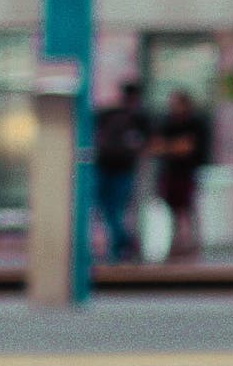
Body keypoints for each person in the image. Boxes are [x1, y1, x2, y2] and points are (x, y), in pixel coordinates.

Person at [148, 90, 216, 260]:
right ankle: (176, 242)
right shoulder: (166, 122)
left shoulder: (195, 122)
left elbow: (188, 148)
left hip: (187, 173)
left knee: (188, 207)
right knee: (172, 209)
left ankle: (191, 242)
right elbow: (157, 146)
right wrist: (174, 147)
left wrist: (170, 147)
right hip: (170, 172)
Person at [89, 82, 150, 264]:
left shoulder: (115, 114)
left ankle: (122, 245)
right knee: (112, 209)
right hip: (115, 168)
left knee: (112, 209)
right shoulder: (130, 116)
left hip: (112, 167)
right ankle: (123, 244)